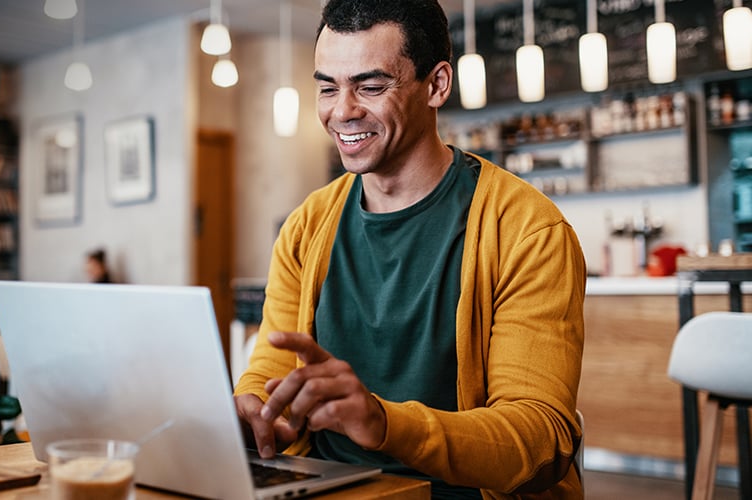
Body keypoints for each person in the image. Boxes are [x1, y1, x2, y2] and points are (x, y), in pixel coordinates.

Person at [232, 1, 586, 498]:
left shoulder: (527, 229)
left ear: (437, 85)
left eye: (371, 86)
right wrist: (251, 409)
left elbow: (539, 440)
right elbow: (271, 371)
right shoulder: (307, 226)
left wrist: (384, 424)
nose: (342, 111)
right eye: (328, 87)